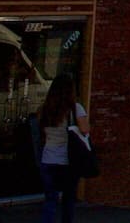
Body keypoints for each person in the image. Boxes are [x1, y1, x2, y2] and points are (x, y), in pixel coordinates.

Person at [36, 77, 89, 223]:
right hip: (67, 161)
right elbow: (85, 129)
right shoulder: (75, 108)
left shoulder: (44, 109)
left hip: (48, 159)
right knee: (68, 200)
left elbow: (40, 132)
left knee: (50, 199)